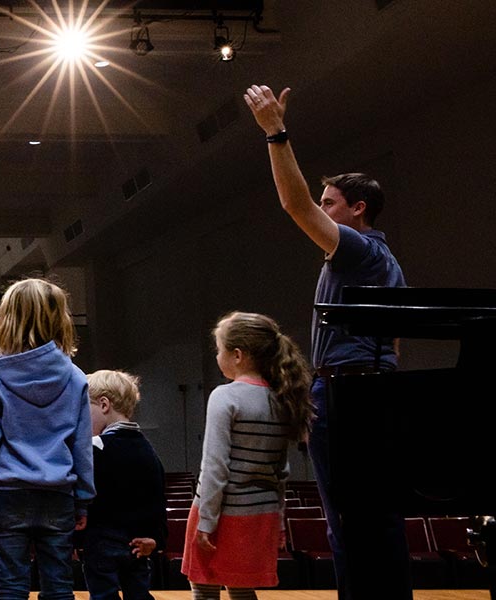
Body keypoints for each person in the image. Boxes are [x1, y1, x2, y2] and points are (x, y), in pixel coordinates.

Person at [243, 85, 410, 599]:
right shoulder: (388, 264)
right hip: (375, 390)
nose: (321, 208)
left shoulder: (357, 250)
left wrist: (276, 134)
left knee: (346, 522)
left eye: (330, 203)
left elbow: (293, 205)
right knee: (377, 521)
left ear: (358, 209)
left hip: (346, 394)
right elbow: (396, 344)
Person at [0, 277, 93, 600]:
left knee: (11, 584)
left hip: (9, 493)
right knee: (60, 584)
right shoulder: (75, 377)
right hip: (59, 493)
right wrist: (83, 499)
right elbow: (82, 447)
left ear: (9, 320)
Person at [182, 312, 313, 599]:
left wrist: (206, 521)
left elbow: (215, 467)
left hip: (222, 512)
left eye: (219, 349)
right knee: (242, 590)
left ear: (238, 355)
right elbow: (282, 473)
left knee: (204, 588)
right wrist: (278, 522)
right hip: (260, 513)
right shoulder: (282, 398)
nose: (217, 356)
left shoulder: (225, 397)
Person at [79, 370, 166, 600]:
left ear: (104, 404)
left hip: (100, 541)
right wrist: (155, 539)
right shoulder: (149, 450)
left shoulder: (96, 447)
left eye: (84, 411)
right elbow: (157, 498)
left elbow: (85, 496)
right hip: (138, 544)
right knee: (138, 593)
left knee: (103, 594)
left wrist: (75, 540)